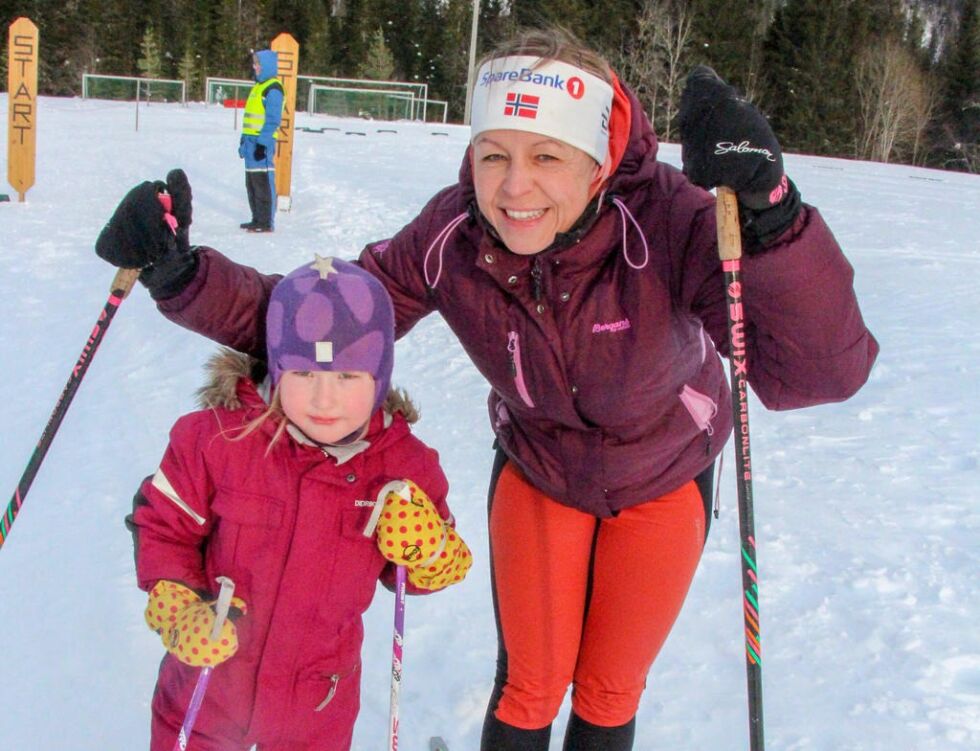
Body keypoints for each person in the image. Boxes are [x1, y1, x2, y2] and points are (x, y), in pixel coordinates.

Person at [96, 27, 878, 751]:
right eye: (493, 154)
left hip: (664, 472)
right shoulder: (455, 234)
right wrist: (183, 275)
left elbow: (813, 372)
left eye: (546, 157)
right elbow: (326, 323)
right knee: (531, 686)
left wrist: (773, 219)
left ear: (597, 160)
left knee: (608, 689)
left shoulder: (668, 221)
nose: (513, 188)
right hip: (540, 467)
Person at [126, 255, 472, 750]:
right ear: (278, 366)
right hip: (206, 694)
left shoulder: (401, 466)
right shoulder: (216, 440)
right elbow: (162, 528)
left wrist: (429, 548)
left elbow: (432, 567)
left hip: (315, 708)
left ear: (378, 376)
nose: (325, 400)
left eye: (348, 377)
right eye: (306, 374)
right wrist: (179, 605)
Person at [238, 48, 284, 232]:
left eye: (257, 64)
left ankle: (266, 221)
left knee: (263, 182)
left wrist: (262, 144)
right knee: (252, 183)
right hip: (250, 142)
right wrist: (243, 142)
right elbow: (250, 119)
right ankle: (257, 218)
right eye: (254, 63)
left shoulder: (273, 88)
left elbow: (273, 119)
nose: (254, 67)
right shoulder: (258, 87)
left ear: (266, 66)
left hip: (261, 144)